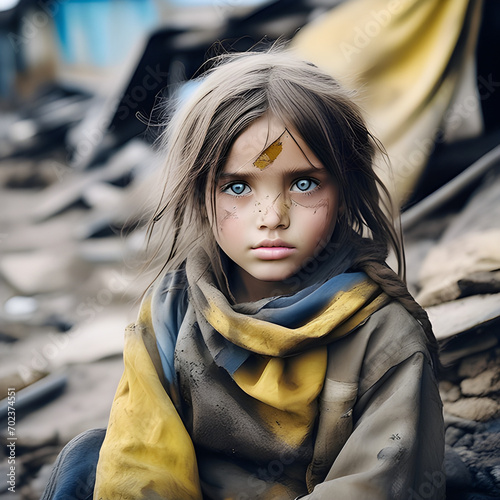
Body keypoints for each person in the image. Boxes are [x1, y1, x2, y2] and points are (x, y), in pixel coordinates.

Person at [42, 49, 445, 500]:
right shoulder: (173, 310)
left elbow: (372, 486)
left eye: (304, 182)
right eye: (237, 186)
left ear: (345, 188)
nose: (272, 216)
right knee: (87, 459)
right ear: (200, 194)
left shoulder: (384, 335)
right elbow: (144, 460)